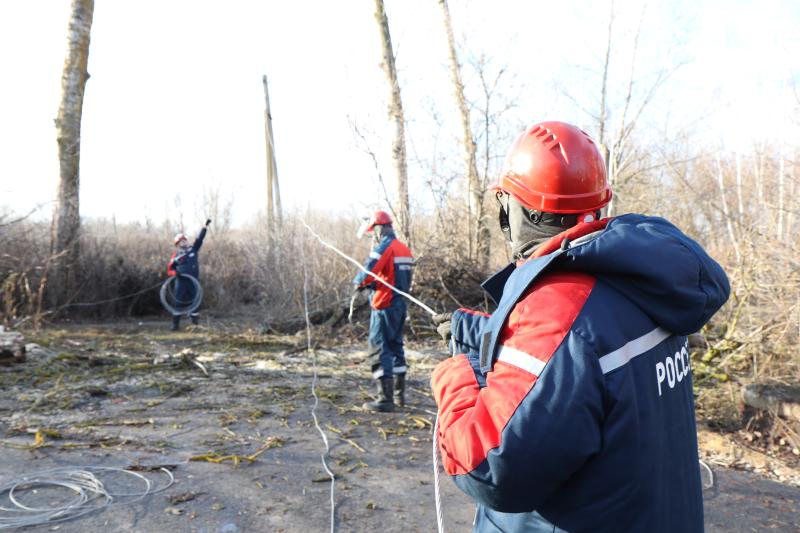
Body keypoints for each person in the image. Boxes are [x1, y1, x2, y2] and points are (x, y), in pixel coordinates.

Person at [430, 121, 730, 532]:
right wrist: (475, 332)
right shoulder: (640, 281)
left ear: (517, 209)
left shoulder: (558, 312)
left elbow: (489, 468)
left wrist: (457, 373)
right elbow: (577, 361)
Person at [353, 210, 414, 412]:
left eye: (374, 231)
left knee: (379, 348)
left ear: (380, 228)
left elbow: (369, 271)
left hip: (384, 305)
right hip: (399, 305)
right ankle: (399, 395)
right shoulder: (404, 249)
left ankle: (384, 399)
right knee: (396, 346)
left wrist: (359, 283)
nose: (374, 235)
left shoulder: (385, 247)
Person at [167, 218, 211, 331]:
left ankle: (195, 325)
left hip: (193, 282)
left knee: (195, 302)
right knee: (178, 302)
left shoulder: (193, 250)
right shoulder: (175, 255)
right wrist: (175, 273)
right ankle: (175, 325)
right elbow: (169, 270)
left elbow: (199, 239)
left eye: (184, 240)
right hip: (180, 282)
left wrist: (204, 227)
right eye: (181, 241)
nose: (184, 242)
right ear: (177, 244)